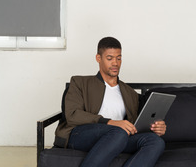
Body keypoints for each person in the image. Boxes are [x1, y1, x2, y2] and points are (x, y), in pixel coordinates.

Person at [54, 37, 166, 167]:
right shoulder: (80, 82)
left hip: (119, 138)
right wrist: (109, 122)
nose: (115, 63)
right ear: (98, 58)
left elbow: (136, 124)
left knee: (155, 141)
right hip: (81, 134)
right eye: (110, 58)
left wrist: (156, 127)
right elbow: (73, 115)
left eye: (119, 58)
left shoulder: (129, 92)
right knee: (118, 132)